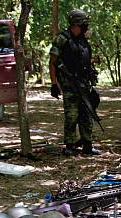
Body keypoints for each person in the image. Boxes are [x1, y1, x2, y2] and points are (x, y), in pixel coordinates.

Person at [49, 9, 100, 156]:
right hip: (69, 84)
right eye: (84, 23)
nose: (86, 26)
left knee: (87, 114)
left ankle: (87, 145)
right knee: (71, 115)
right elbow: (53, 62)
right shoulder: (62, 39)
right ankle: (69, 145)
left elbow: (82, 60)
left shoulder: (83, 39)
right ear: (76, 24)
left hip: (85, 83)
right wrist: (54, 83)